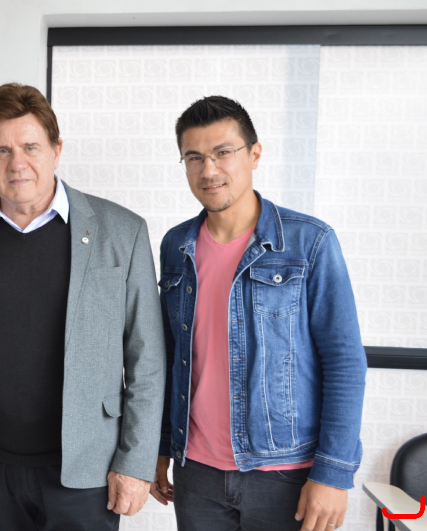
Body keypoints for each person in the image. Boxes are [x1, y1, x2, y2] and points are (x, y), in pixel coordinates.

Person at [0, 83, 165, 530]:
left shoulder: (122, 232)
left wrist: (135, 463)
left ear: (56, 150)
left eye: (31, 147)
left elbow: (147, 359)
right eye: (2, 150)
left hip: (88, 473)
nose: (17, 163)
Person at [152, 96, 366, 531]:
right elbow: (170, 356)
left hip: (285, 473)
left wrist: (332, 473)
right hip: (197, 473)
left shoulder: (309, 242)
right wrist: (158, 447)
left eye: (222, 152)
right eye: (194, 157)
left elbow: (344, 361)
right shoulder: (177, 245)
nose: (209, 170)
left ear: (254, 154)